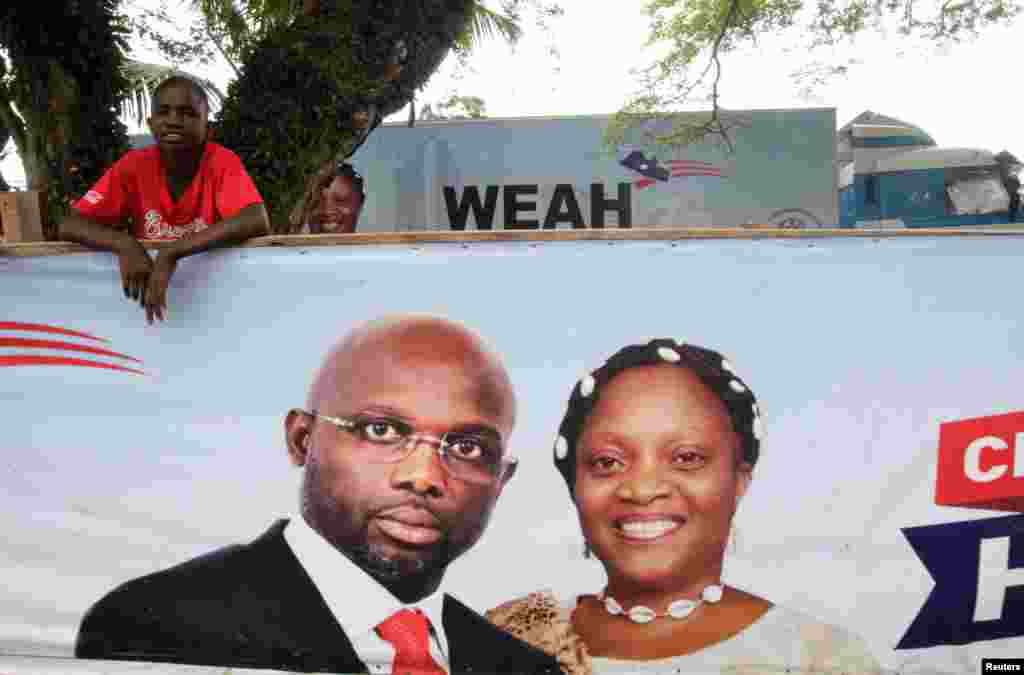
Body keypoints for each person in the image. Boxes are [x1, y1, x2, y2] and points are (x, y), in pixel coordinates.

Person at [74, 316, 561, 674]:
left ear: (502, 482)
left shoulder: (524, 670)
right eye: (382, 430)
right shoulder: (160, 626)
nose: (423, 475)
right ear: (302, 440)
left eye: (467, 447)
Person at [486, 339, 881, 675]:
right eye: (608, 462)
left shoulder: (818, 659)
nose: (641, 490)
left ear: (738, 480)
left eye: (686, 457)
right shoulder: (513, 639)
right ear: (575, 485)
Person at [58, 75, 270, 324]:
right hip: (149, 307)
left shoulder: (222, 162)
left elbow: (256, 219)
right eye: (163, 112)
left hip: (217, 304)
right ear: (150, 123)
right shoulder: (133, 166)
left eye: (187, 113)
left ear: (208, 128)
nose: (173, 121)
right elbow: (69, 224)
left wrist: (171, 252)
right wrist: (124, 244)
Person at [293, 160, 365, 233]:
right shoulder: (288, 242)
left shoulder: (374, 244)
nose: (327, 211)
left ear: (360, 203)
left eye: (340, 200)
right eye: (317, 201)